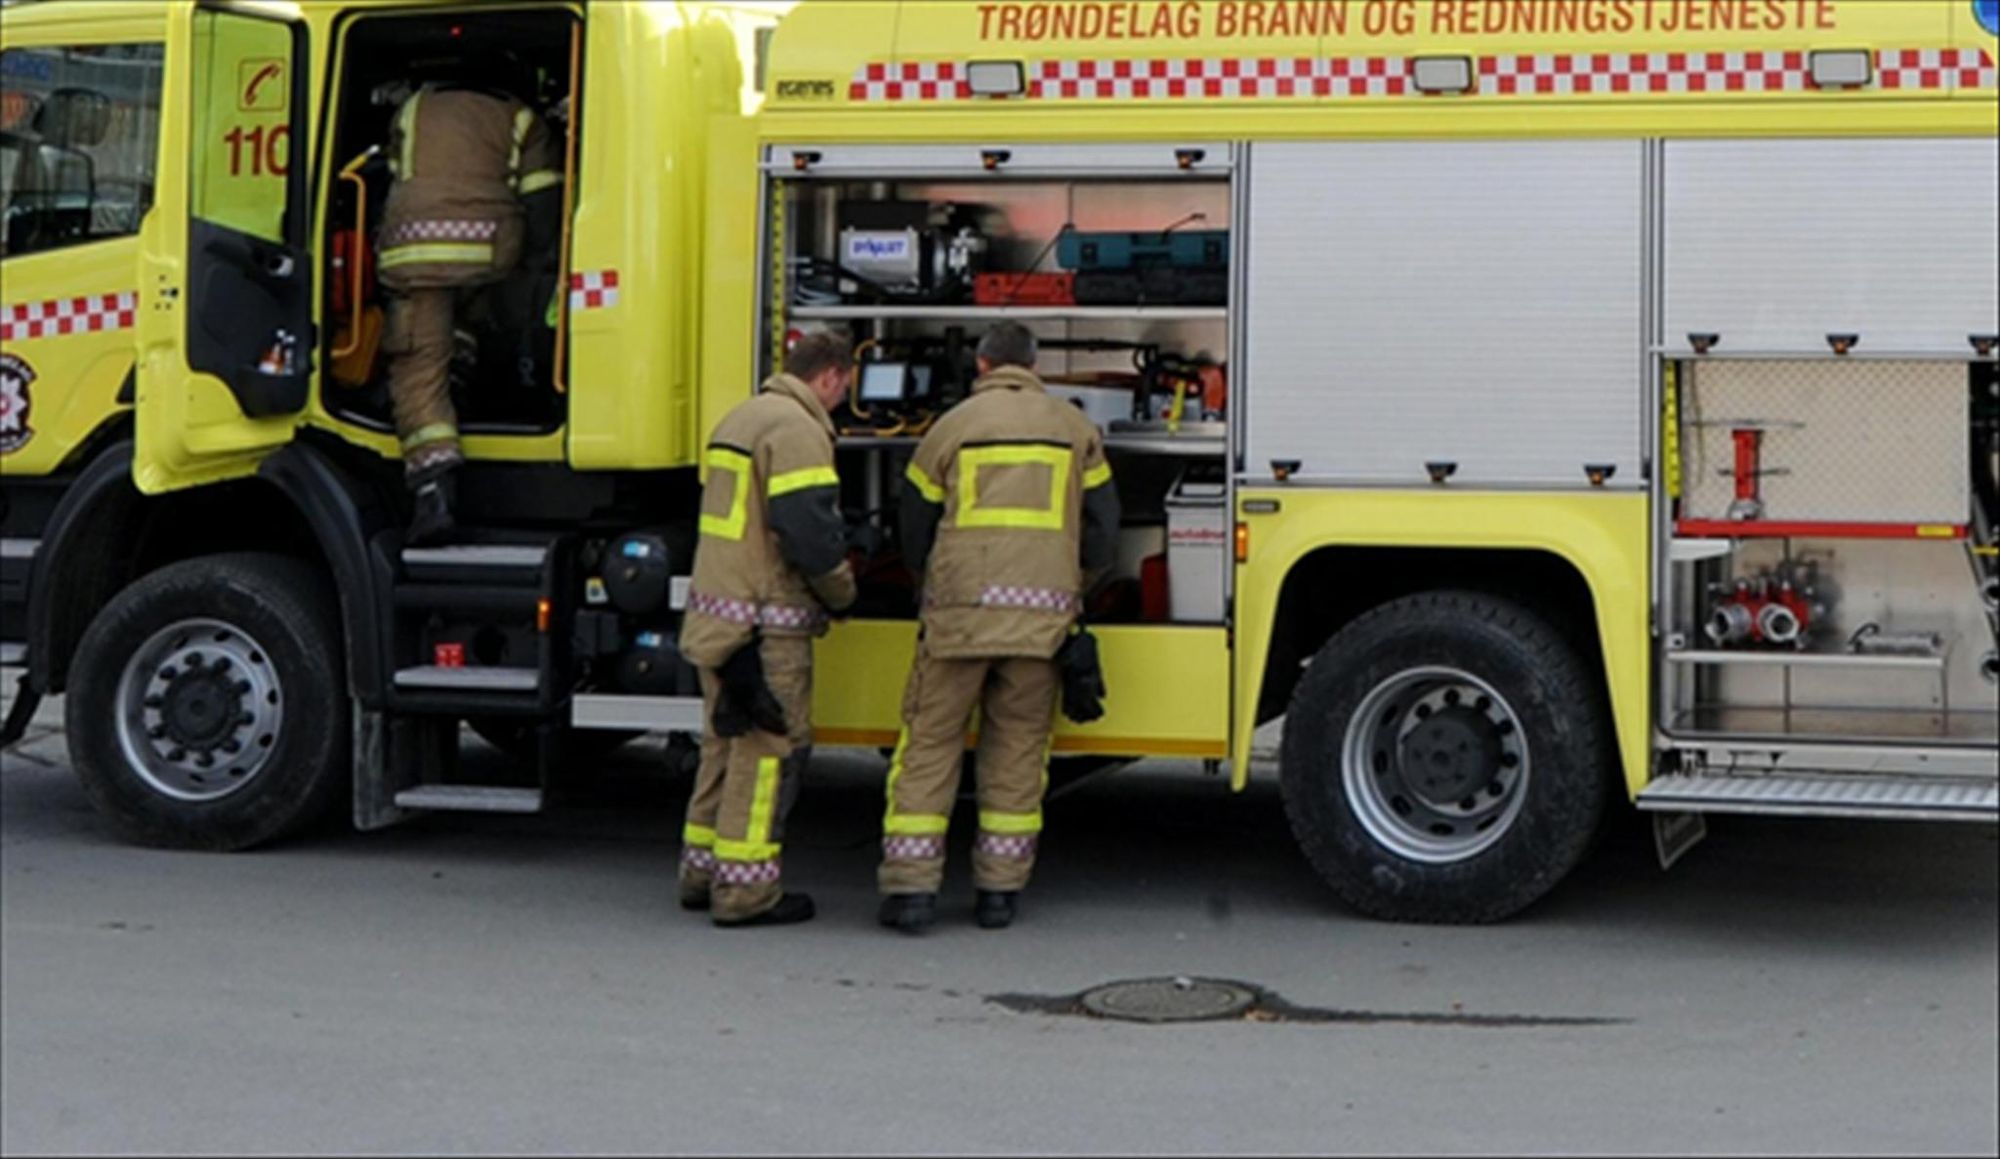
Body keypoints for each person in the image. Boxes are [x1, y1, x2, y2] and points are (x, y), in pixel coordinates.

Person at [877, 322, 1120, 933]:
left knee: (930, 746)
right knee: (1016, 751)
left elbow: (914, 517)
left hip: (957, 616)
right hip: (1041, 622)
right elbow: (1104, 526)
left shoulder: (951, 427)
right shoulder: (1073, 426)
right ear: (1033, 366)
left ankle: (911, 892)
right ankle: (998, 893)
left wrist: (924, 583)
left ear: (983, 366)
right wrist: (1077, 585)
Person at [676, 332, 858, 927]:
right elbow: (807, 532)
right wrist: (844, 591)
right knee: (767, 753)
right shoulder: (798, 431)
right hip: (766, 622)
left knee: (721, 748)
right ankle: (746, 892)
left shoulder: (742, 415)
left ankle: (700, 872)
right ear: (830, 376)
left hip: (719, 615)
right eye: (847, 382)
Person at [375, 64, 563, 545]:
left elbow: (395, 175)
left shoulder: (413, 108)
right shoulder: (521, 117)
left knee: (419, 366)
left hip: (412, 255)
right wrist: (538, 265)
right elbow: (543, 204)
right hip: (490, 252)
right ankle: (470, 373)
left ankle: (433, 489)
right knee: (482, 305)